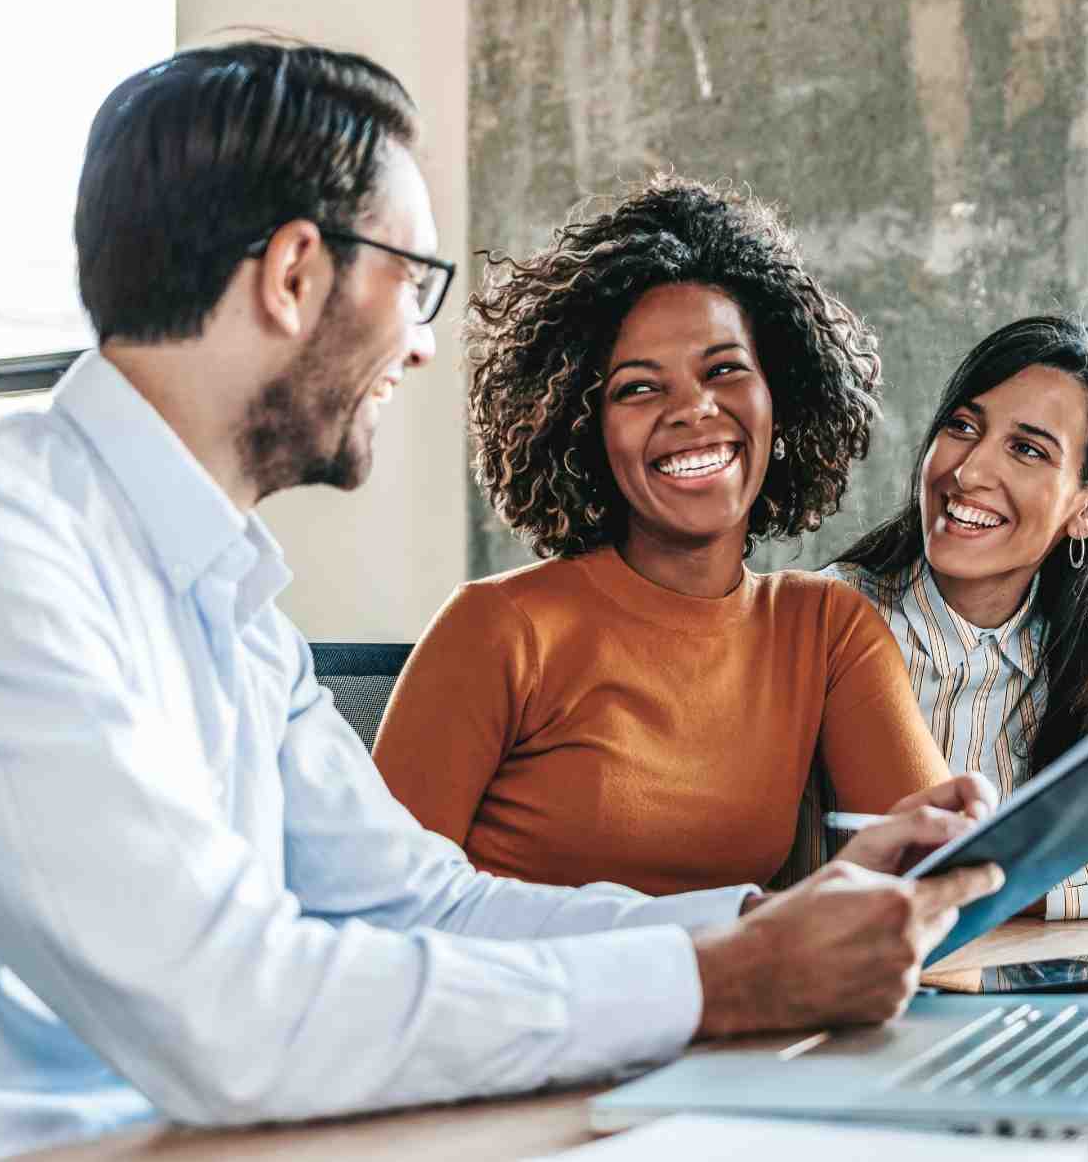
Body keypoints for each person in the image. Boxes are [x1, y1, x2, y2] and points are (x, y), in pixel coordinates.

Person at [0, 41, 1001, 1161]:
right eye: (413, 281)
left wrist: (771, 922)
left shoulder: (222, 602)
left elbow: (421, 902)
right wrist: (718, 983)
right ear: (291, 274)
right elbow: (229, 1013)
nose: (427, 341)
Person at [371, 176, 953, 895]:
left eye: (725, 370)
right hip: (532, 1003)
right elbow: (377, 917)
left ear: (784, 395)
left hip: (740, 1004)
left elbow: (935, 888)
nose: (694, 409)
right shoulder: (498, 630)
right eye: (640, 388)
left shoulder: (827, 631)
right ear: (585, 431)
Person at [824, 316, 1088, 919]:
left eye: (1027, 450)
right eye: (963, 427)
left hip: (1036, 977)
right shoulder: (834, 616)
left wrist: (1003, 885)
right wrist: (1043, 871)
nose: (969, 472)